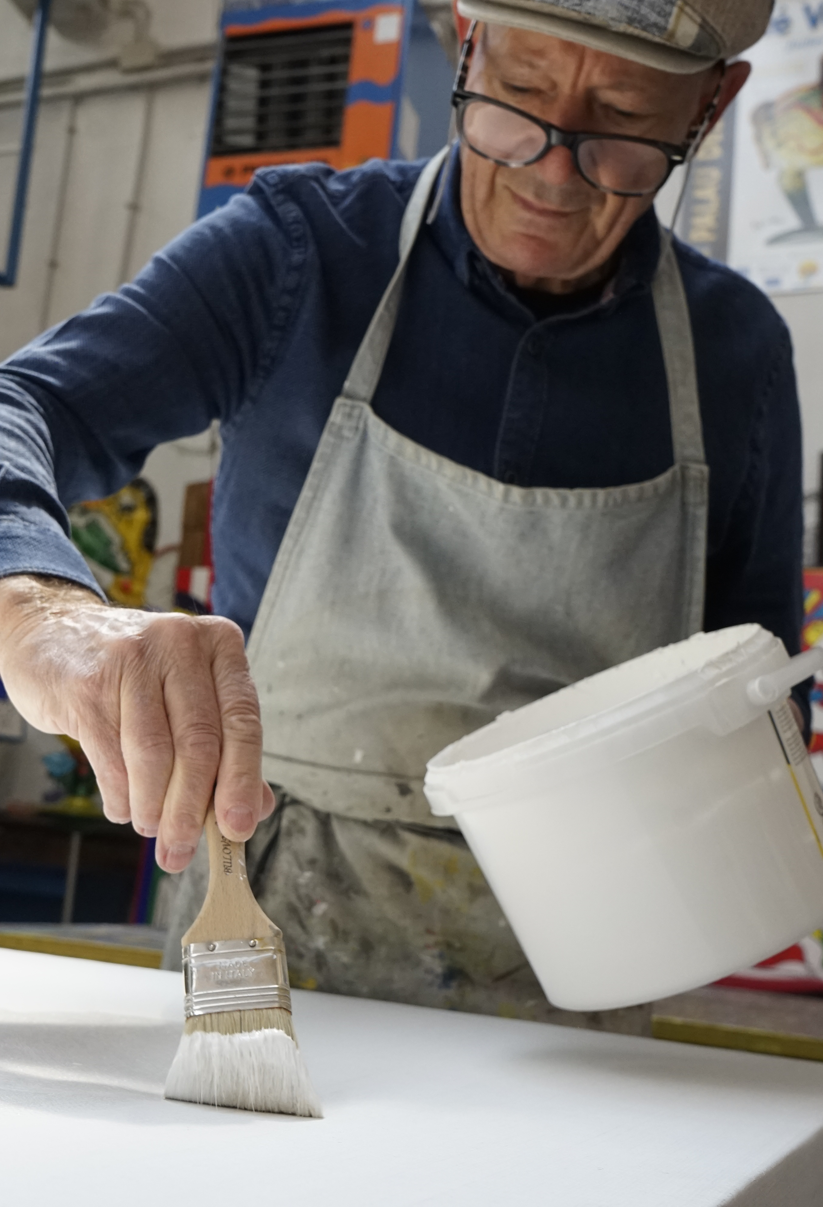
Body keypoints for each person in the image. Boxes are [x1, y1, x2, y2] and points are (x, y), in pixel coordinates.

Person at [0, 0, 803, 1032]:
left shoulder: (735, 356)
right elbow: (25, 406)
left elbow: (756, 695)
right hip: (270, 936)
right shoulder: (297, 257)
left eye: (619, 123)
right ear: (467, 41)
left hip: (580, 980)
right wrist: (39, 607)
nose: (552, 171)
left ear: (710, 105)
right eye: (516, 99)